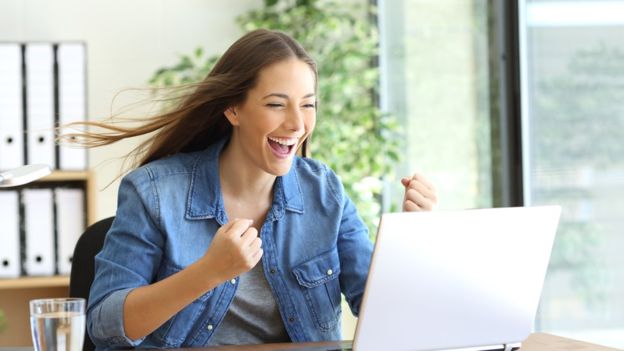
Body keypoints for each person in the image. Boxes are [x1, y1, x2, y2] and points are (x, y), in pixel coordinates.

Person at [76, 29, 437, 349]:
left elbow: (378, 309)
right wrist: (209, 272)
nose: (297, 123)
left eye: (308, 105)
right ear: (234, 109)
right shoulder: (154, 193)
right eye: (276, 104)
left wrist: (411, 241)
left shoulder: (324, 191)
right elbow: (105, 328)